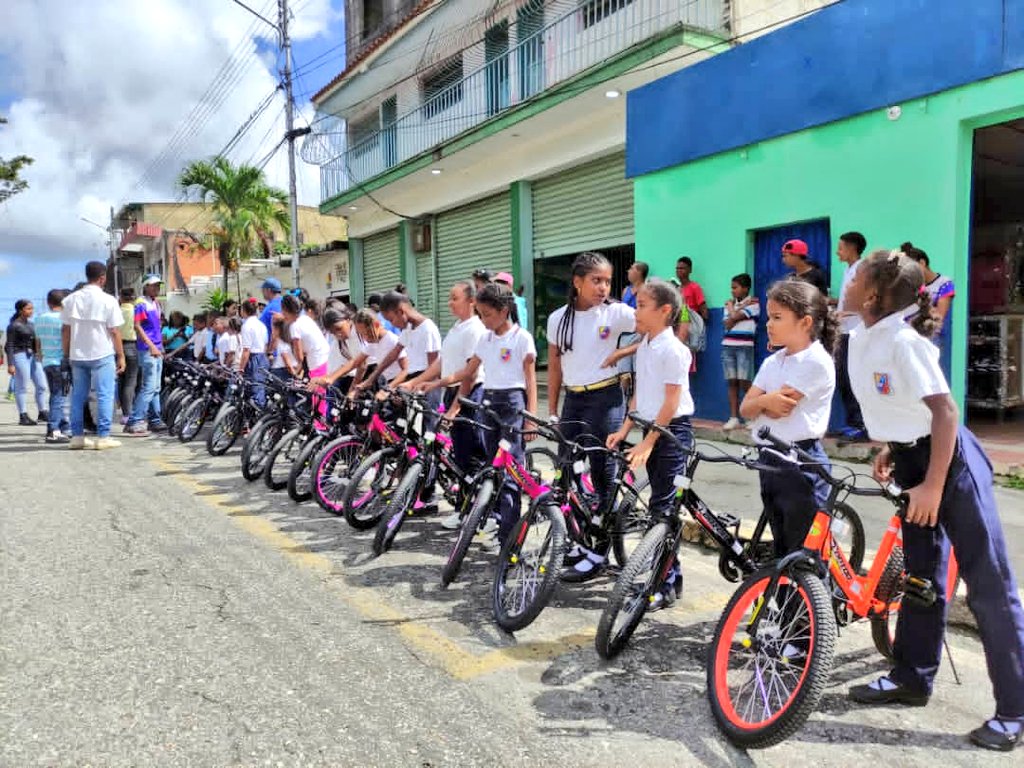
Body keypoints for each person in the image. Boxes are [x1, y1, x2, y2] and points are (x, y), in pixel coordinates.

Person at [844, 249, 1024, 752]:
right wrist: (890, 446)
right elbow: (900, 406)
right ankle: (912, 676)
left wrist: (933, 485)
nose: (848, 279)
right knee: (922, 579)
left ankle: (1015, 708)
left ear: (875, 293)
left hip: (951, 465)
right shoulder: (864, 337)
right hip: (913, 460)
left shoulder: (904, 341)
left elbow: (945, 413)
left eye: (856, 275)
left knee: (989, 584)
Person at [546, 252, 635, 580]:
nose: (602, 287)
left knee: (604, 475)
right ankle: (577, 540)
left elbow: (660, 328)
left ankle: (599, 552)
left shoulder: (617, 313)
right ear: (577, 282)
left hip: (607, 399)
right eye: (596, 280)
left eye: (607, 281)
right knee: (566, 471)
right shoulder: (558, 319)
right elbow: (554, 365)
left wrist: (624, 351)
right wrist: (553, 410)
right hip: (574, 400)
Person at [606, 278, 694, 608]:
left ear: (665, 310)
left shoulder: (674, 350)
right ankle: (668, 575)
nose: (635, 311)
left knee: (664, 510)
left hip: (672, 433)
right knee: (660, 505)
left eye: (642, 305)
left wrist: (650, 443)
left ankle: (666, 583)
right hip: (651, 427)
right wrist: (625, 428)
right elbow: (641, 396)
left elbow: (671, 403)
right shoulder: (645, 344)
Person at [739, 279, 837, 557]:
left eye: (777, 317)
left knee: (803, 550)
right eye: (769, 317)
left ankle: (812, 600)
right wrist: (763, 402)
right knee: (781, 543)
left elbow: (777, 409)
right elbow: (746, 408)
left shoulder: (815, 361)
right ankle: (785, 598)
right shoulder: (774, 361)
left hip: (800, 462)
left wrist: (762, 403)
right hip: (770, 458)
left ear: (805, 322)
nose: (768, 324)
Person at [453, 283, 537, 549]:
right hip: (488, 403)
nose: (483, 320)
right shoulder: (485, 339)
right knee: (493, 468)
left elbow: (530, 380)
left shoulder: (521, 338)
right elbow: (468, 372)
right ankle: (499, 520)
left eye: (487, 314)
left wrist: (531, 417)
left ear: (503, 311)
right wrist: (437, 384)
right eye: (480, 314)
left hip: (513, 404)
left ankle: (509, 539)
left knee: (510, 472)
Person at [413, 280, 488, 529]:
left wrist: (456, 406)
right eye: (449, 297)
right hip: (453, 391)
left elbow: (471, 374)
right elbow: (443, 362)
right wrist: (417, 381)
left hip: (469, 395)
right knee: (460, 457)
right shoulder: (457, 327)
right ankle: (465, 509)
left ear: (471, 301)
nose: (449, 302)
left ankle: (478, 513)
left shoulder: (475, 329)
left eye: (454, 298)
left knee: (472, 458)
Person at [60, 261, 126, 450]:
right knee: (105, 395)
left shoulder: (70, 300)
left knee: (78, 396)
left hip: (77, 355)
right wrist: (121, 356)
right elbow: (114, 331)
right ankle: (103, 437)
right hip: (102, 353)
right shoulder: (109, 300)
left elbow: (65, 330)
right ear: (102, 277)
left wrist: (67, 352)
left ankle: (77, 436)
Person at [369, 291, 442, 395]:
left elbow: (434, 369)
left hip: (426, 386)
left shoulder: (428, 329)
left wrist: (413, 385)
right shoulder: (408, 328)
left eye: (391, 319)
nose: (392, 324)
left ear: (401, 311)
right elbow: (394, 352)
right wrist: (373, 376)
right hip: (412, 380)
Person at [316, 310, 406, 392]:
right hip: (381, 380)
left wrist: (390, 388)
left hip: (393, 382)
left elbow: (406, 370)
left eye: (367, 333)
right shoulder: (372, 342)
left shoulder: (392, 340)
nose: (366, 338)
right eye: (362, 335)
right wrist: (332, 378)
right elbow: (356, 362)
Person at [834, 231, 868, 440]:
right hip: (844, 331)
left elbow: (868, 299)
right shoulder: (849, 270)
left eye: (841, 247)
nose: (838, 251)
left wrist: (847, 312)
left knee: (854, 377)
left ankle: (862, 425)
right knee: (843, 378)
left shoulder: (862, 269)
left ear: (852, 247)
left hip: (857, 331)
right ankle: (852, 422)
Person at [902, 243, 955, 376]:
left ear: (922, 263)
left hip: (932, 338)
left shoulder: (945, 283)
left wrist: (922, 295)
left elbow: (939, 316)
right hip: (909, 338)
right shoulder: (909, 285)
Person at [124, 275, 166, 437]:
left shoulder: (155, 303)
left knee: (155, 388)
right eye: (153, 285)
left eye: (158, 285)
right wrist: (152, 346)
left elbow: (156, 328)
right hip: (148, 349)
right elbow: (137, 327)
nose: (156, 288)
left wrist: (160, 346)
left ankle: (155, 419)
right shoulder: (141, 304)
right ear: (146, 287)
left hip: (156, 348)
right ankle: (134, 421)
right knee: (149, 387)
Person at [721, 273, 759, 431]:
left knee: (745, 382)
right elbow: (728, 323)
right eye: (731, 288)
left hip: (744, 346)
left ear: (745, 288)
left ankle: (752, 417)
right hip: (728, 346)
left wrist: (732, 309)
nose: (732, 291)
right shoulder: (735, 304)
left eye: (735, 288)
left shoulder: (754, 304)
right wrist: (734, 311)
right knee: (732, 382)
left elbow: (734, 317)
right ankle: (734, 417)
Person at [5, 299, 48, 426]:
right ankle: (23, 415)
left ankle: (42, 411)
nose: (31, 311)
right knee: (22, 386)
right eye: (29, 308)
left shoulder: (31, 324)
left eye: (32, 308)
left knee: (42, 385)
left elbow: (36, 341)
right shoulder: (14, 325)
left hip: (33, 357)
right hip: (20, 355)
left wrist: (39, 355)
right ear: (20, 310)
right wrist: (11, 364)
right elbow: (10, 345)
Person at [35, 289, 70, 443]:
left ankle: (62, 426)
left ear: (48, 302)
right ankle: (53, 430)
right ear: (64, 303)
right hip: (60, 361)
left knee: (55, 394)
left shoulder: (39, 318)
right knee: (59, 396)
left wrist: (41, 357)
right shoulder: (65, 319)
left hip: (47, 361)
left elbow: (38, 343)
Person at [238, 298, 269, 405]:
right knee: (260, 387)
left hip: (253, 358)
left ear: (244, 310)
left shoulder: (247, 326)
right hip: (263, 357)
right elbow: (265, 345)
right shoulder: (261, 325)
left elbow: (246, 350)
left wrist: (241, 368)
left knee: (254, 388)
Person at [117, 287, 139, 423]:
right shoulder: (135, 311)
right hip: (132, 345)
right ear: (133, 298)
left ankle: (125, 413)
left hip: (117, 347)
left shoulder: (116, 311)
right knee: (131, 382)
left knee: (121, 381)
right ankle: (129, 414)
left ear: (121, 297)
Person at [269, 315, 299, 380]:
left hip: (283, 371)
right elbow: (287, 363)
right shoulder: (283, 343)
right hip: (283, 372)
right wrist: (296, 375)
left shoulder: (282, 342)